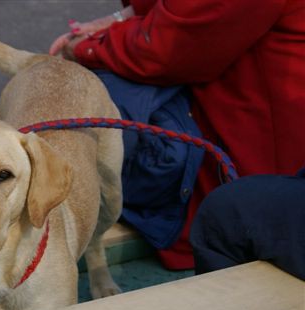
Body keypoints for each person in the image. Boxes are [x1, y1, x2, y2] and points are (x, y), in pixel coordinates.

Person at [49, 0, 305, 271]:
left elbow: (167, 48)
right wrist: (123, 17)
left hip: (253, 161)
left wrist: (84, 48)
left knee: (81, 106)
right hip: (249, 124)